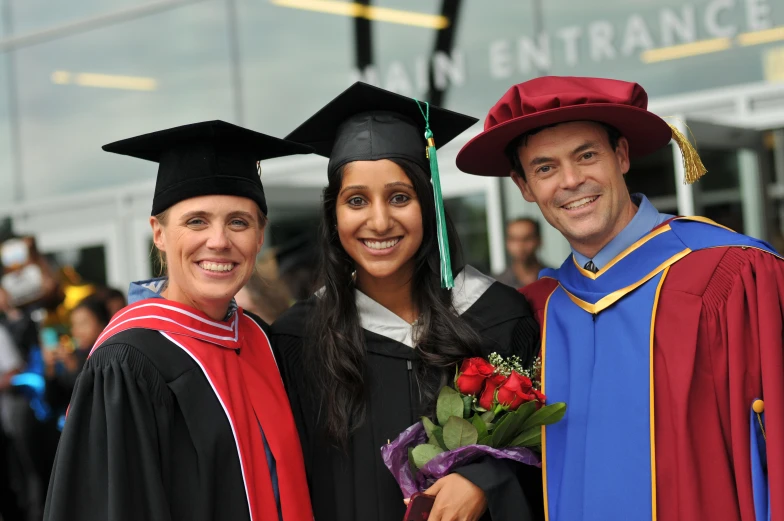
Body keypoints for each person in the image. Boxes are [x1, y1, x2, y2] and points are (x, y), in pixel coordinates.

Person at [456, 76, 783, 521]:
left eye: (586, 155)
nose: (571, 181)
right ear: (524, 186)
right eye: (545, 167)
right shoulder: (536, 312)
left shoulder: (732, 276)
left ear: (622, 156)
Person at [272, 82, 543, 521]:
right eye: (356, 200)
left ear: (429, 205)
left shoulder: (498, 317)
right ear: (333, 215)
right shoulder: (296, 340)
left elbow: (545, 463)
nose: (379, 221)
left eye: (400, 197)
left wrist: (487, 481)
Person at [43, 120, 315, 521]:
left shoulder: (263, 344)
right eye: (196, 221)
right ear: (159, 233)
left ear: (260, 237)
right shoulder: (128, 364)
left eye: (238, 221)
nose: (219, 240)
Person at [495, 218, 546, 288]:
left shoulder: (556, 280)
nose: (520, 245)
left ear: (539, 240)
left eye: (527, 239)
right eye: (514, 239)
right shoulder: (496, 284)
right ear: (507, 243)